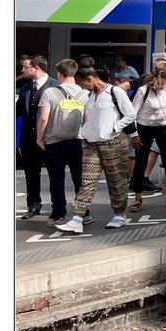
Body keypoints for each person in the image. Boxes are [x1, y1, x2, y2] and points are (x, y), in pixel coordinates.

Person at [54, 67, 136, 233]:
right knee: (87, 181)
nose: (83, 87)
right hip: (90, 143)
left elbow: (130, 114)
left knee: (116, 180)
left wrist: (116, 126)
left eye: (83, 83)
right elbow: (88, 118)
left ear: (90, 78)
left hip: (113, 142)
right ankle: (77, 218)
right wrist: (83, 132)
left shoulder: (115, 92)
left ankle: (119, 214)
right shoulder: (90, 96)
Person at [35, 59, 91, 226]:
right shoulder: (85, 94)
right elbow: (88, 120)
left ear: (59, 74)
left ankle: (58, 214)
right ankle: (84, 213)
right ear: (75, 73)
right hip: (77, 141)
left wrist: (39, 138)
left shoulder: (50, 92)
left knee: (56, 180)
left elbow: (43, 118)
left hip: (54, 142)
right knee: (79, 179)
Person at [128, 62, 166, 212]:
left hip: (165, 126)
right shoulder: (144, 91)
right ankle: (138, 196)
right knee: (140, 161)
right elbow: (132, 114)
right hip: (145, 126)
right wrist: (134, 135)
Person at [17, 55, 61, 218]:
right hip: (28, 139)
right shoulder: (25, 88)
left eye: (25, 67)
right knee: (31, 173)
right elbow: (18, 110)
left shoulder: (56, 86)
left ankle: (57, 207)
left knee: (55, 173)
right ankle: (33, 205)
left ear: (36, 68)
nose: (22, 70)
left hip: (50, 139)